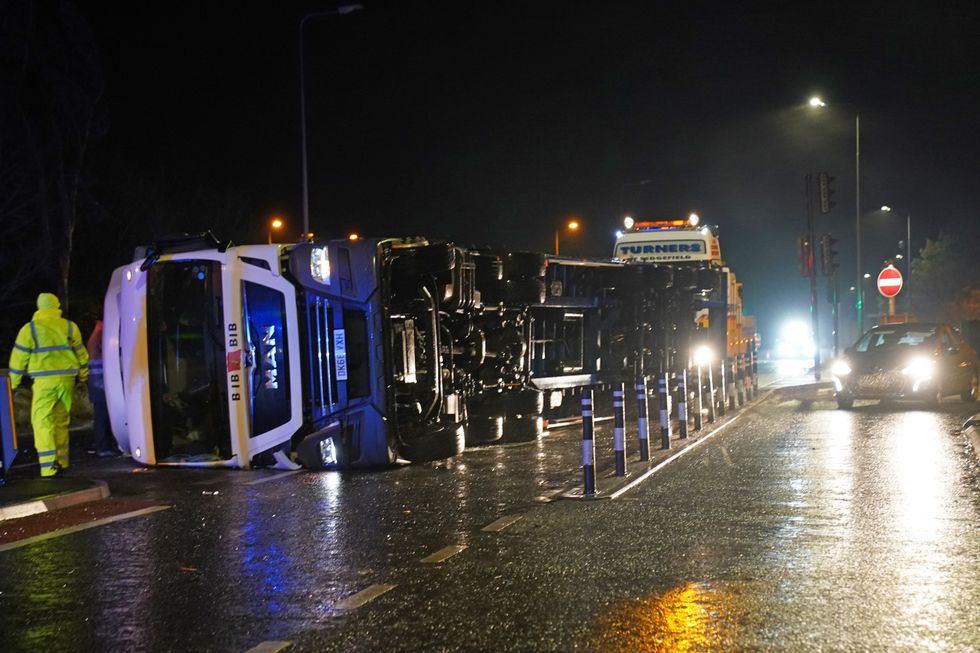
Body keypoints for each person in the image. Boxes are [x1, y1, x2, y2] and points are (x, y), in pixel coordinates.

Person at [8, 293, 89, 478]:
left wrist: (13, 383)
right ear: (57, 305)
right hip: (66, 381)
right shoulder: (70, 327)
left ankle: (48, 466)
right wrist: (83, 377)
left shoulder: (30, 330)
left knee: (42, 422)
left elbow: (19, 359)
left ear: (39, 307)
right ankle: (62, 461)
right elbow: (82, 355)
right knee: (61, 421)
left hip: (44, 383)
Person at [86, 320, 120, 457]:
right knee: (102, 420)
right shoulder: (96, 351)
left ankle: (106, 446)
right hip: (100, 390)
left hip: (101, 389)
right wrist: (99, 328)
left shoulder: (97, 350)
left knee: (104, 419)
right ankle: (104, 447)